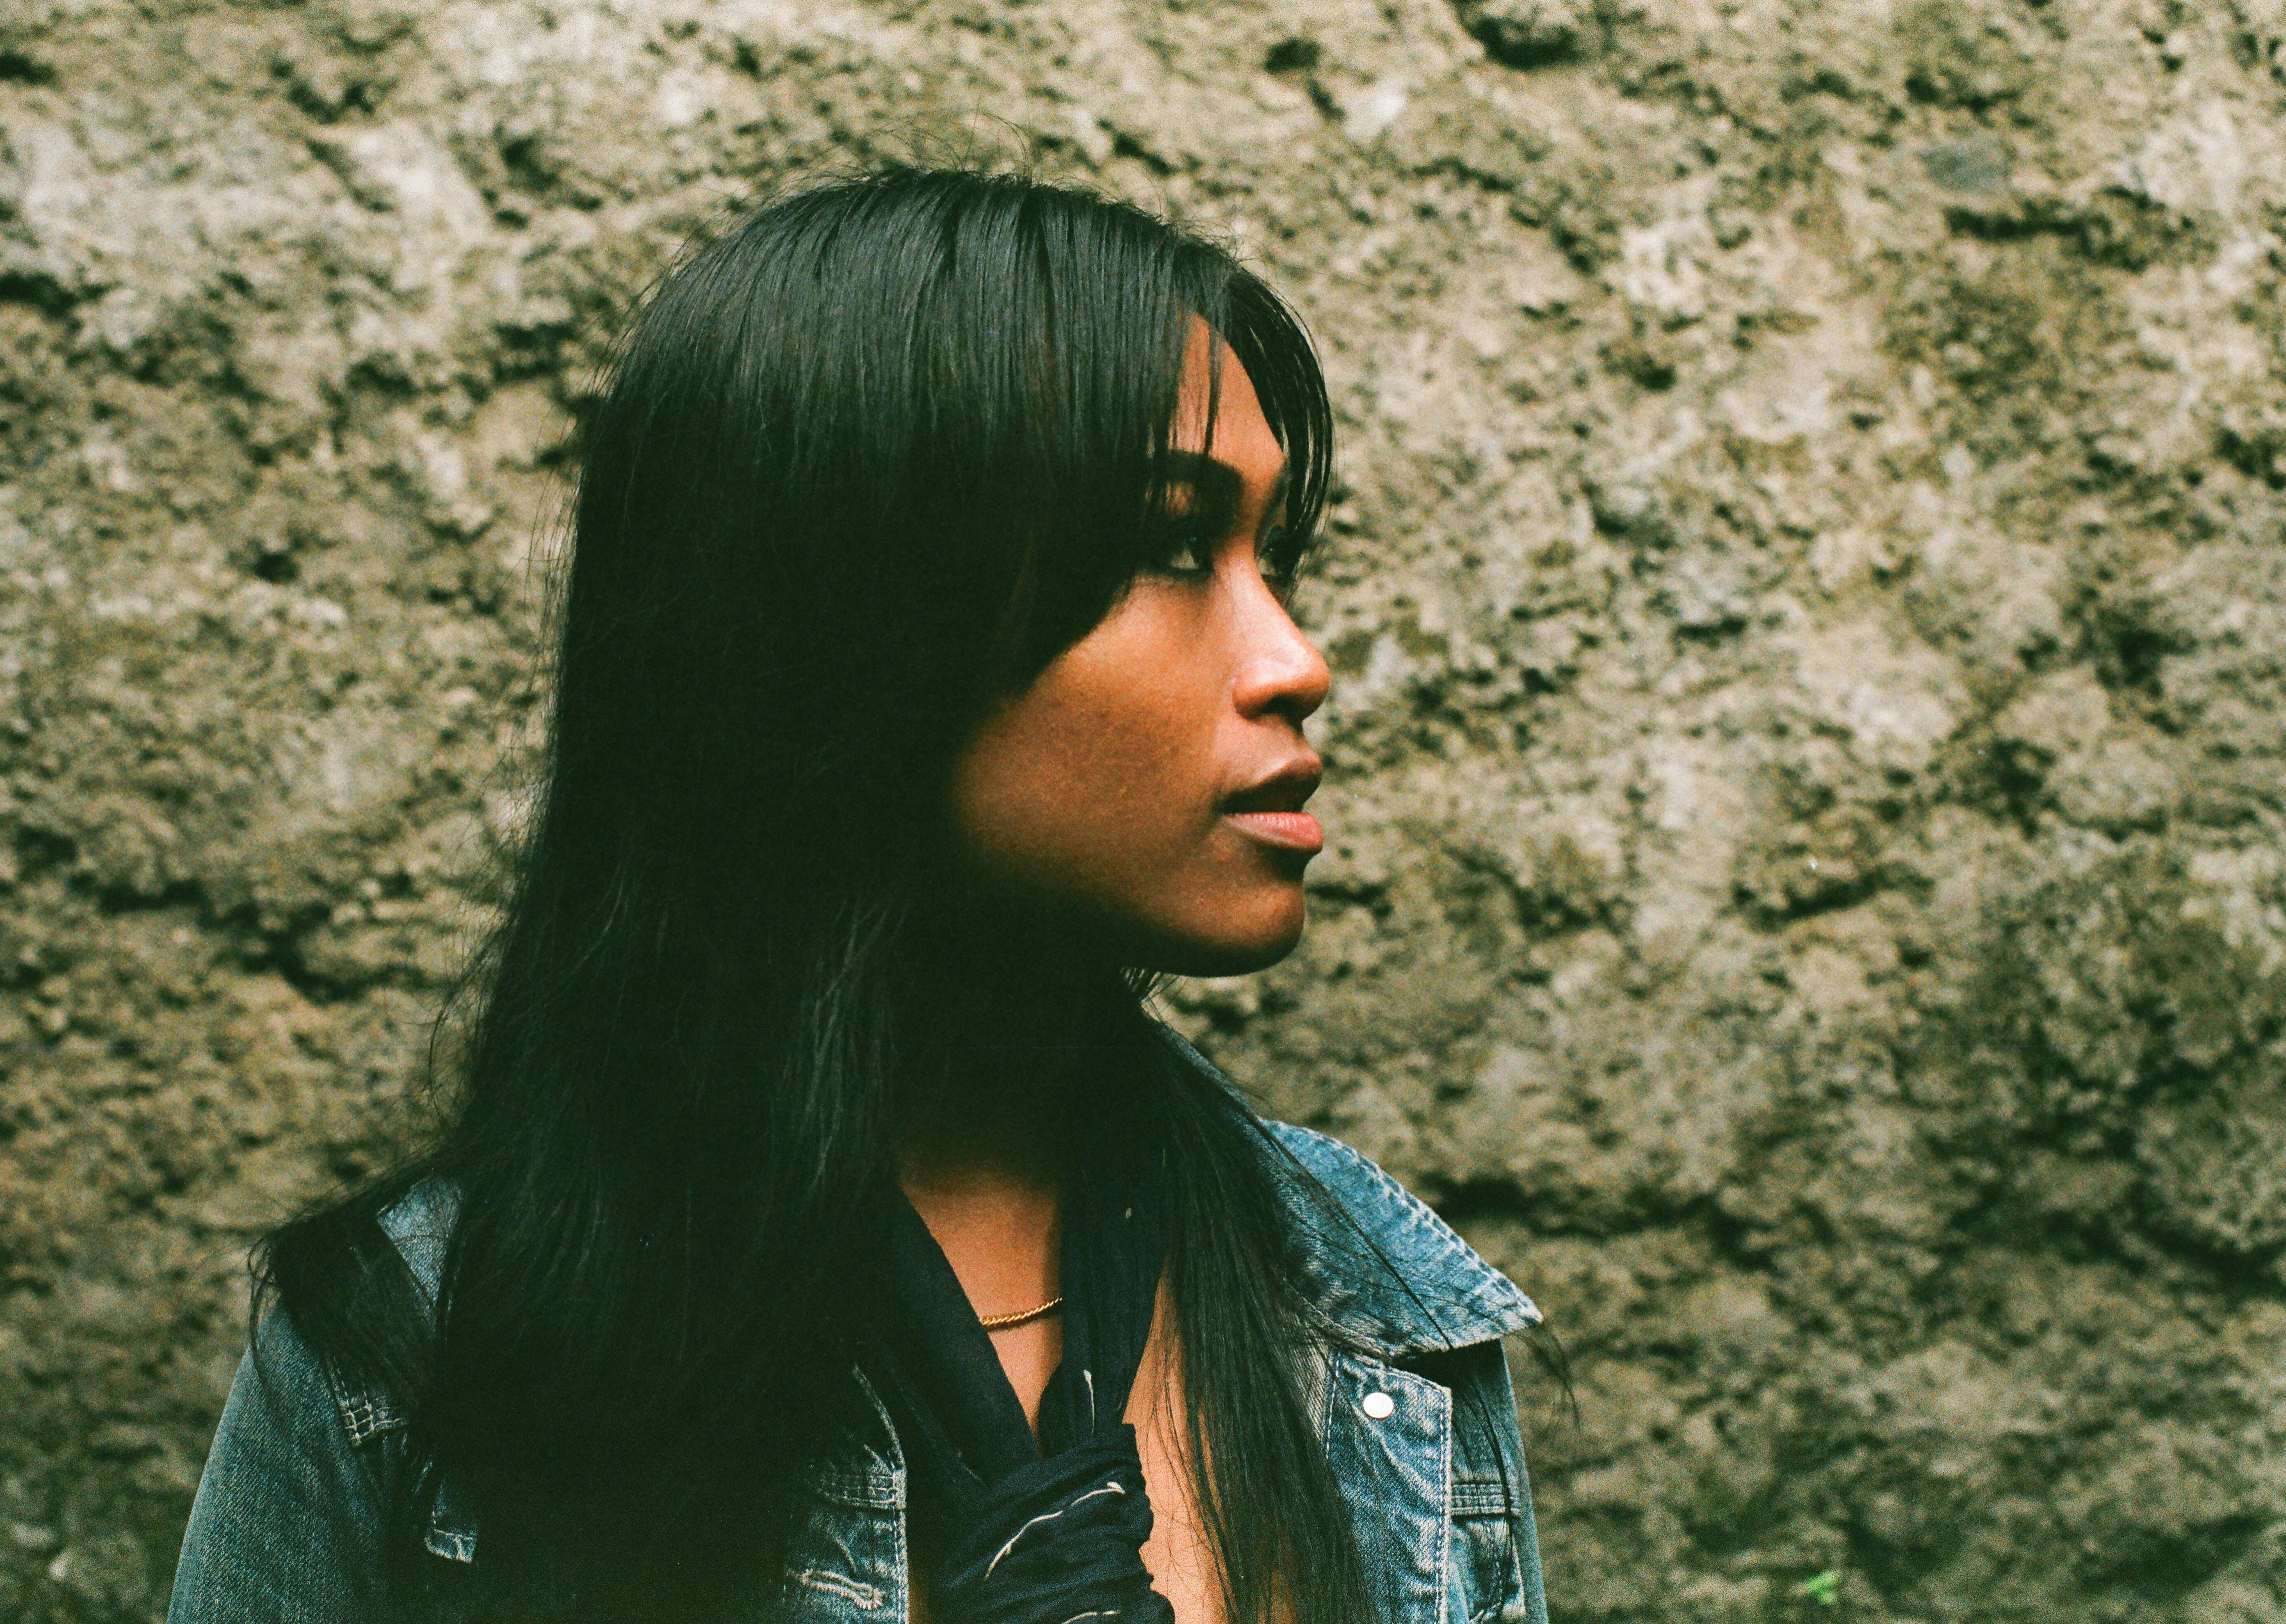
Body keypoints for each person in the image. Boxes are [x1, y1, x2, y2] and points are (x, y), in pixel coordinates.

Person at [169, 165, 1547, 1624]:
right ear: (855, 618)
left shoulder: (1385, 1315)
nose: (1295, 660)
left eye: (1272, 556)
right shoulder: (423, 1353)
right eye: (1164, 543)